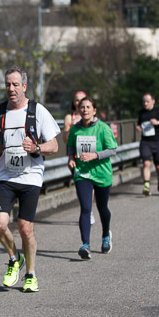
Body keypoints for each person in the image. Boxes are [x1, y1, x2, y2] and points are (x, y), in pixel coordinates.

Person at [0, 66, 60, 293]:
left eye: (15, 84)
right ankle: (14, 258)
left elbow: (54, 145)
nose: (11, 89)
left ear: (24, 86)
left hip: (30, 177)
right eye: (8, 84)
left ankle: (31, 274)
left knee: (25, 229)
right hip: (5, 175)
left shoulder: (38, 111)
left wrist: (36, 147)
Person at [67, 97, 118, 260]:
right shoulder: (75, 129)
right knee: (86, 208)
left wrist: (94, 155)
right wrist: (71, 158)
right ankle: (85, 245)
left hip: (102, 174)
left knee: (102, 207)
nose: (85, 110)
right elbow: (70, 146)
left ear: (94, 111)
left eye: (88, 107)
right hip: (82, 174)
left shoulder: (103, 128)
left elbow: (112, 150)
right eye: (82, 107)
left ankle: (106, 234)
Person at [63, 90, 94, 224]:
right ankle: (86, 208)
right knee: (80, 183)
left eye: (81, 99)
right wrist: (71, 127)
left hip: (90, 154)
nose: (79, 102)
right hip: (75, 156)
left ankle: (88, 210)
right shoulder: (69, 118)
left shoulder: (90, 115)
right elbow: (65, 140)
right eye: (76, 100)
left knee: (91, 183)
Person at [137, 93, 159, 195]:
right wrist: (138, 127)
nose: (145, 104)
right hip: (145, 142)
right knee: (146, 163)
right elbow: (139, 124)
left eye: (147, 101)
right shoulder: (142, 113)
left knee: (157, 165)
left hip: (157, 142)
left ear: (153, 101)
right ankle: (146, 186)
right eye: (144, 102)